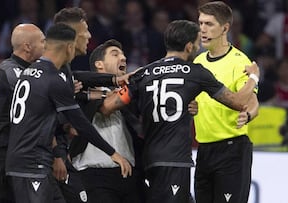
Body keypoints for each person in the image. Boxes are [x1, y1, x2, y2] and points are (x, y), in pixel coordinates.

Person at [99, 20, 260, 203]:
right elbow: (239, 102)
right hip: (174, 159)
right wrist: (253, 77)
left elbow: (107, 106)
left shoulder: (145, 73)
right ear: (189, 46)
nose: (199, 47)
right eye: (198, 42)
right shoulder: (196, 72)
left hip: (150, 159)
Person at [5, 23, 132, 203]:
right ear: (70, 47)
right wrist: (113, 153)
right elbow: (80, 122)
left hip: (29, 160)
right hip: (32, 163)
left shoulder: (28, 72)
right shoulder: (54, 79)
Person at [193, 2, 260, 203]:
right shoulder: (198, 63)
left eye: (209, 24)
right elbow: (196, 100)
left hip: (231, 149)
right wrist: (193, 106)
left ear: (225, 28)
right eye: (201, 23)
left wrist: (248, 114)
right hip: (203, 149)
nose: (203, 30)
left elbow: (253, 101)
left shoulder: (240, 62)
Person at [0, 23, 45, 203]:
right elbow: (35, 97)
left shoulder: (33, 71)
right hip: (0, 159)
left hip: (18, 158)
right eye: (42, 41)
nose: (45, 46)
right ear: (27, 46)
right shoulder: (9, 70)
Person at [71, 39, 143, 203]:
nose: (123, 58)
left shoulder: (129, 95)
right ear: (99, 65)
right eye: (115, 54)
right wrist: (133, 84)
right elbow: (106, 107)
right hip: (95, 176)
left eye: (123, 54)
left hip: (129, 173)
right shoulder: (82, 90)